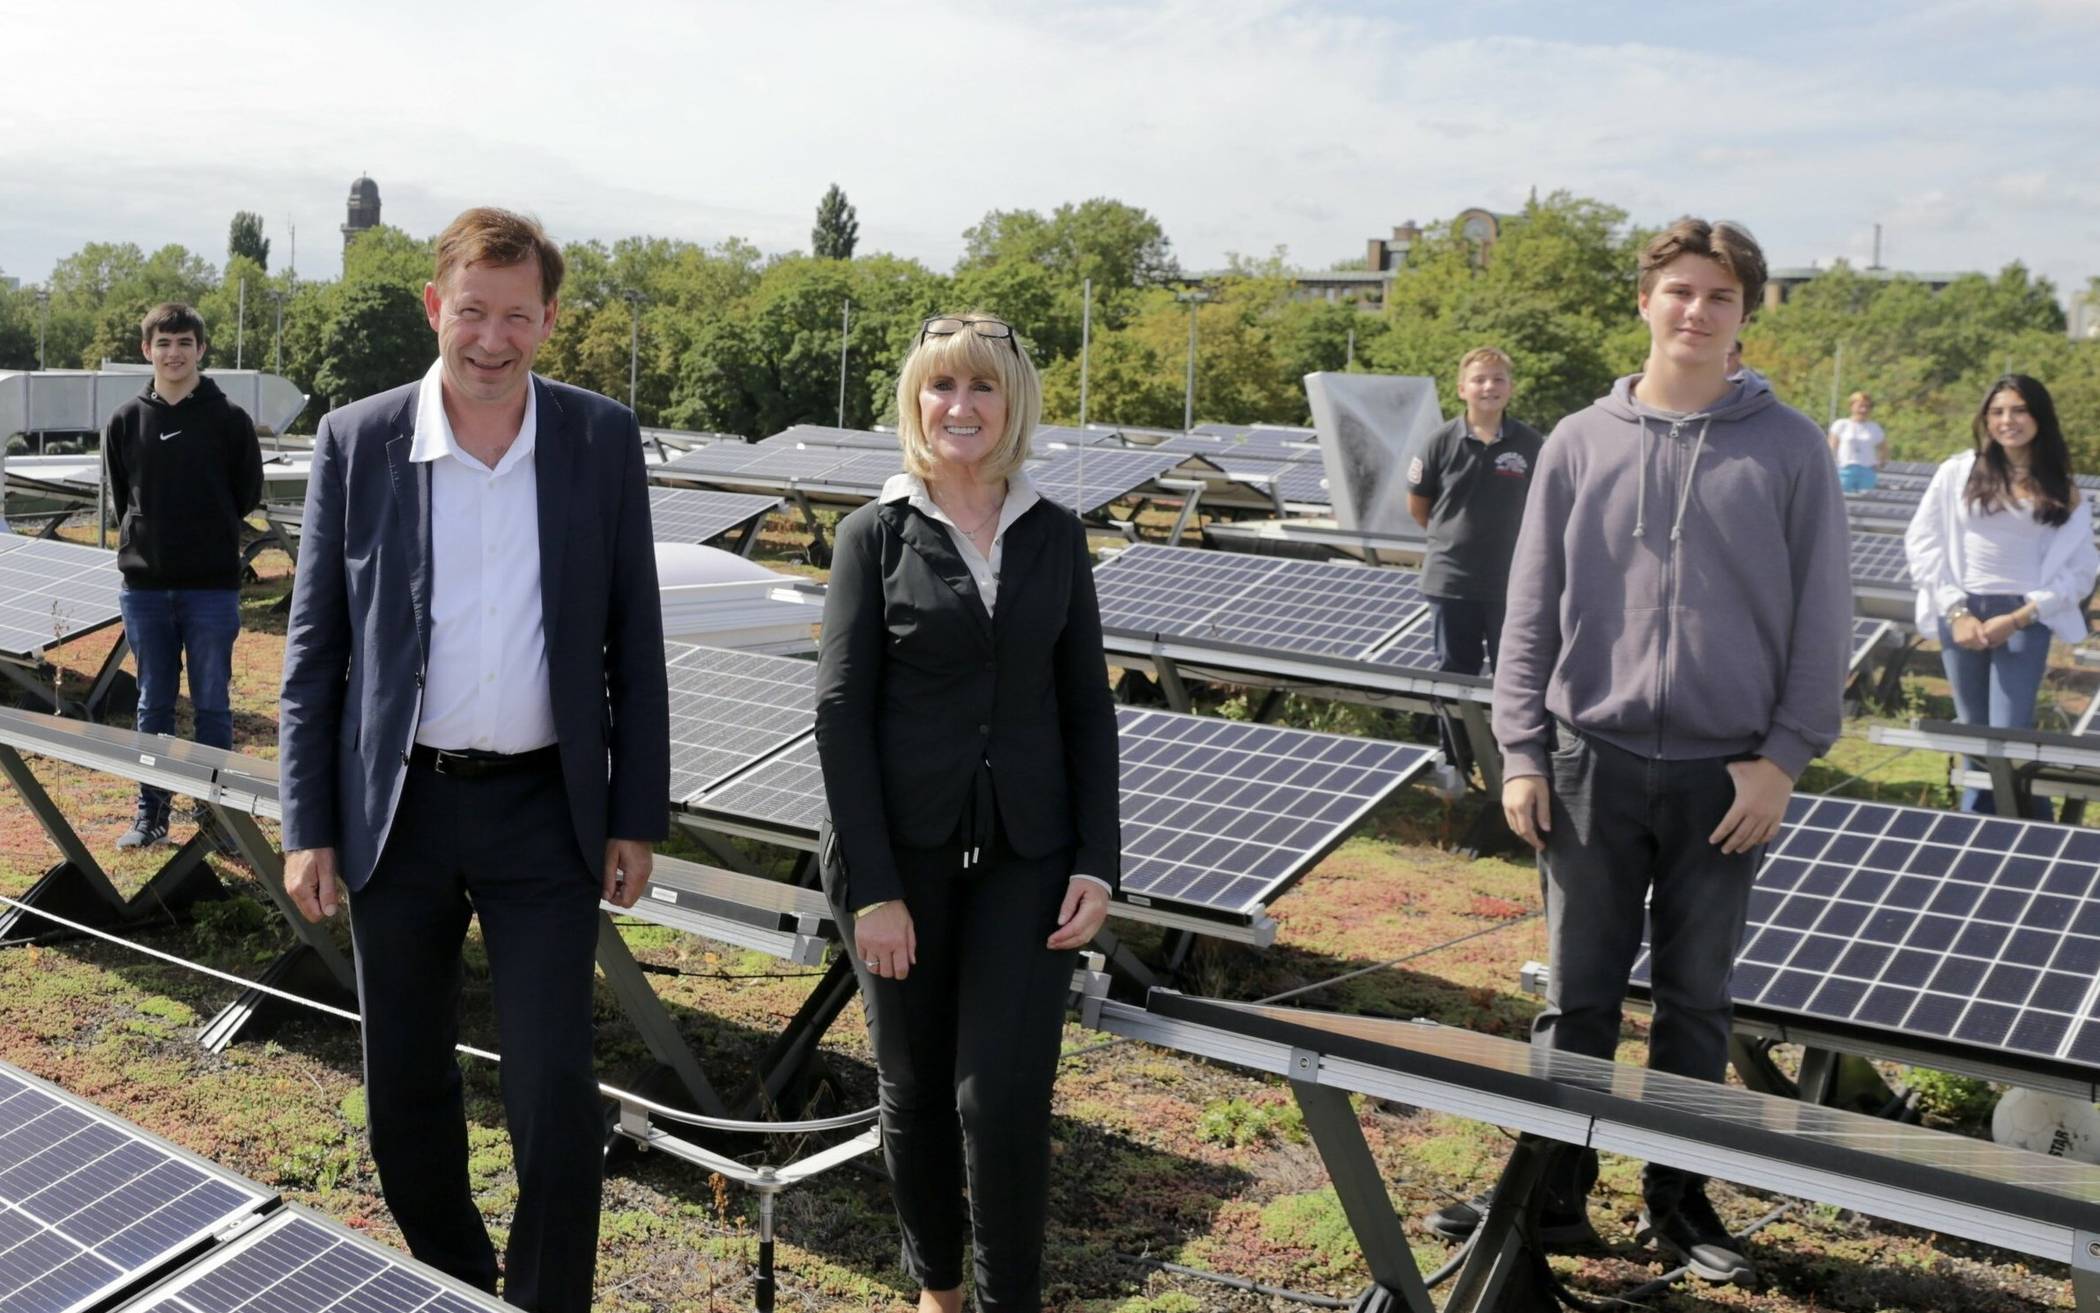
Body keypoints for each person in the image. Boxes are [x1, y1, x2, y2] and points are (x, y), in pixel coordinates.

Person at [277, 208, 669, 1313]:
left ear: (548, 318)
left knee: (553, 1086)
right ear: (433, 305)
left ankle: (548, 1300)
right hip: (398, 813)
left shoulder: (597, 438)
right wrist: (309, 820)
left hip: (545, 811)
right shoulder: (360, 439)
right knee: (404, 1082)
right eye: (473, 311)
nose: (493, 338)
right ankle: (455, 1280)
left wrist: (632, 812)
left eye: (518, 315)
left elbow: (633, 638)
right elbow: (315, 651)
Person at [1474, 218, 1851, 1283]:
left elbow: (1825, 620)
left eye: (1719, 297)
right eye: (1680, 290)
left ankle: (1678, 1197)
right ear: (1644, 301)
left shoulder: (1789, 448)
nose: (1697, 311)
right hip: (1589, 757)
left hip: (1725, 776)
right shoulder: (1578, 443)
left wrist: (1781, 759)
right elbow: (1530, 607)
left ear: (1744, 316)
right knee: (1578, 994)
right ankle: (1550, 1189)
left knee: (1696, 999)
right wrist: (1522, 749)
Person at [813, 313, 1119, 1313]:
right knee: (915, 1088)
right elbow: (840, 713)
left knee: (1000, 1095)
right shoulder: (875, 533)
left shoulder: (1055, 532)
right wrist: (876, 889)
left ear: (1011, 403)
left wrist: (1097, 857)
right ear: (916, 402)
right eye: (941, 387)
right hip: (901, 855)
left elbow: (1085, 705)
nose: (960, 406)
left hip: (1030, 853)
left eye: (981, 387)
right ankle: (937, 1292)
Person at [104, 303, 263, 848]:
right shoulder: (126, 421)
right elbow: (125, 498)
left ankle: (216, 814)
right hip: (145, 591)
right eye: (164, 343)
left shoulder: (230, 420)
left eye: (185, 343)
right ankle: (151, 814)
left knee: (213, 702)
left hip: (211, 589)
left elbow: (245, 495)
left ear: (201, 350)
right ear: (147, 351)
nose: (174, 353)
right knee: (153, 704)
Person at [1904, 375, 2096, 817]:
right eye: (1998, 412)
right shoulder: (1958, 472)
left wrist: (2023, 615)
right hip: (1962, 613)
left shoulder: (2062, 488)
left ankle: (2029, 832)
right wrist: (1955, 611)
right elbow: (1923, 541)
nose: (2007, 421)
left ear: (2039, 417)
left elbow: (2081, 569)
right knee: (1974, 736)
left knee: (2012, 735)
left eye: (2019, 410)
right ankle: (1985, 835)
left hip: (2023, 618)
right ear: (1986, 419)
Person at [1404, 346, 1544, 797]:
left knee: (1515, 675)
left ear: (1511, 389)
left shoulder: (1531, 445)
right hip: (1451, 582)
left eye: (1498, 379)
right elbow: (1420, 507)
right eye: (1480, 379)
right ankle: (1457, 765)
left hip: (1513, 587)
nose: (1489, 387)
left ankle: (1513, 767)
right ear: (1462, 388)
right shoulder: (1438, 442)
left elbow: (1545, 509)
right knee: (1454, 674)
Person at [1829, 391, 1885, 494]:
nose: (1864, 409)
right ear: (1852, 406)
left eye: (1867, 407)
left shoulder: (1874, 427)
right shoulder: (1841, 424)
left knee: (1864, 503)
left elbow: (1883, 448)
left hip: (1867, 470)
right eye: (1860, 406)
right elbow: (1832, 446)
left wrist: (1880, 463)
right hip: (1844, 469)